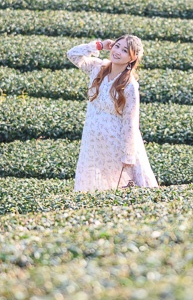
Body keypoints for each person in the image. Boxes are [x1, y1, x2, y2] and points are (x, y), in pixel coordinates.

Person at [66, 35, 159, 192]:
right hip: (93, 141)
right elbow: (73, 54)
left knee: (121, 187)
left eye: (124, 50)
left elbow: (130, 122)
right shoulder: (98, 68)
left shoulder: (130, 86)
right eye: (117, 46)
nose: (117, 52)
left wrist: (128, 155)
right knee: (93, 185)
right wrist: (100, 45)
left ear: (132, 58)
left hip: (115, 143)